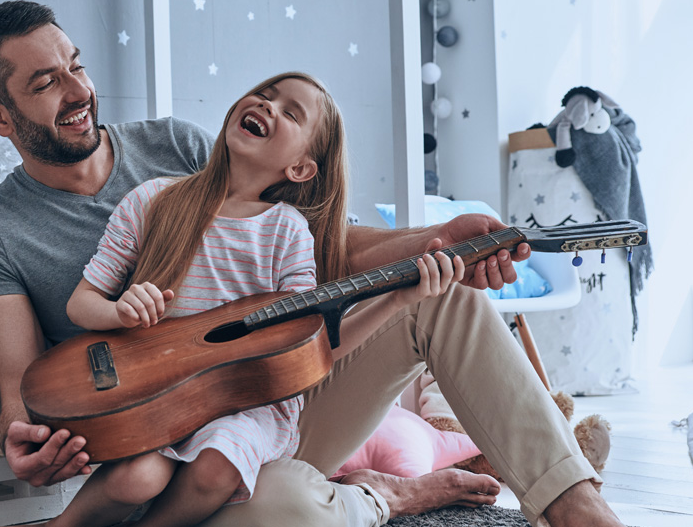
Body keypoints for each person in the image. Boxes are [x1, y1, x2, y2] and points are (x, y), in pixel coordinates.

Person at [0, 0, 623, 527]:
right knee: (289, 511)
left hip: (263, 409)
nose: (78, 89)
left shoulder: (174, 148)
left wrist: (434, 238)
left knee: (445, 298)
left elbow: (323, 247)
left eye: (76, 63)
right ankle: (388, 496)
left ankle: (574, 507)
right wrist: (25, 445)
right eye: (46, 82)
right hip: (159, 458)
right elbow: (21, 387)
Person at [47, 72, 466, 527]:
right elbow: (81, 303)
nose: (268, 107)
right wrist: (118, 310)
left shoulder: (286, 231)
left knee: (216, 467)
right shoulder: (152, 199)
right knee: (135, 479)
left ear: (302, 169)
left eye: (290, 112)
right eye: (265, 96)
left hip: (250, 405)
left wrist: (396, 300)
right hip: (159, 396)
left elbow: (313, 345)